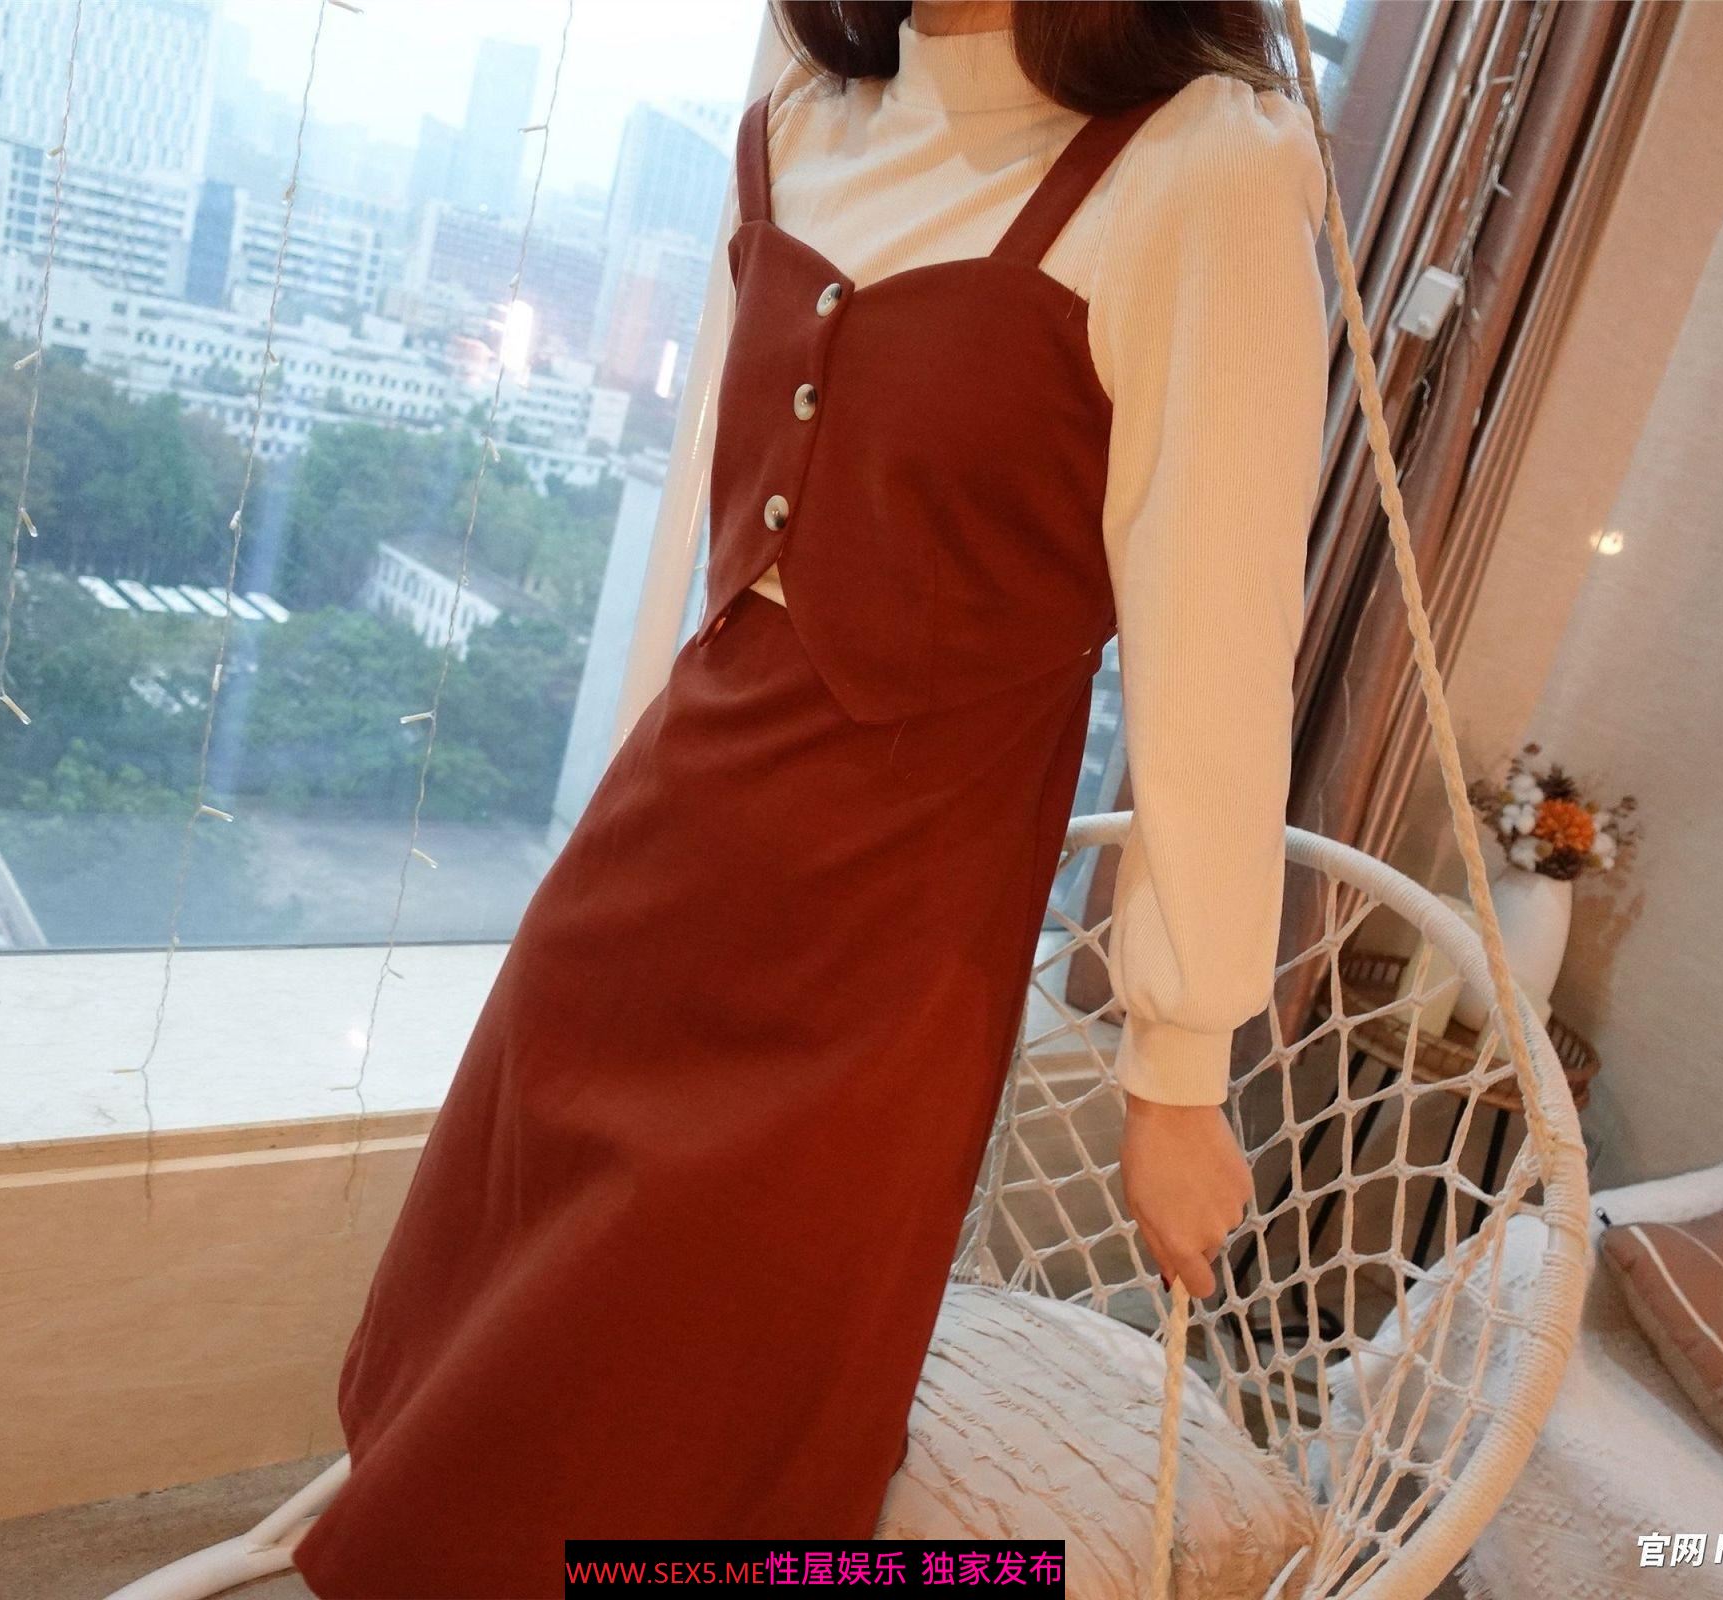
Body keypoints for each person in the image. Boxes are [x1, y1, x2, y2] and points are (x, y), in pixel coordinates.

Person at [292, 2, 1328, 1592]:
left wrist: (1177, 1075)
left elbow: (1218, 652)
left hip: (888, 939)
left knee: (717, 1408)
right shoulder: (800, 123)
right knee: (497, 1350)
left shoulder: (1204, 171)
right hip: (652, 860)